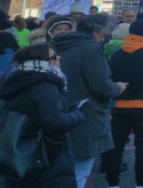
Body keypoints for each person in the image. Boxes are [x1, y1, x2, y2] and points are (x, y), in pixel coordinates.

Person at [52, 14, 126, 188]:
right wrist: (118, 88)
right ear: (95, 31)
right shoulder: (90, 49)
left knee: (65, 167)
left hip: (62, 109)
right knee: (80, 170)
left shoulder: (59, 45)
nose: (105, 37)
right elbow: (101, 84)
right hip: (86, 112)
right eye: (104, 33)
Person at [0, 43, 84, 188]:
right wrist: (76, 115)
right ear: (46, 61)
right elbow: (55, 122)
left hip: (21, 153)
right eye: (55, 57)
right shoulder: (45, 86)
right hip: (48, 155)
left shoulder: (15, 80)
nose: (59, 60)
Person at [104, 21, 143, 188]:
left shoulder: (117, 55)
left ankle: (113, 183)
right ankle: (141, 183)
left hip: (120, 104)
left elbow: (109, 77)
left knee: (116, 146)